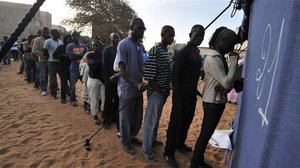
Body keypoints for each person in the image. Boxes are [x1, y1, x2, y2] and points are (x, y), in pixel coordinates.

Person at [190, 27, 239, 168]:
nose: (232, 47)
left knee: (207, 133)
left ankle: (198, 161)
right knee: (205, 134)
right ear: (222, 42)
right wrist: (234, 61)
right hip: (212, 102)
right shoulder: (213, 59)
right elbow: (227, 82)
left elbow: (226, 85)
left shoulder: (219, 58)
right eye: (230, 44)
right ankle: (194, 163)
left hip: (216, 101)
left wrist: (225, 85)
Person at [163, 24, 205, 168]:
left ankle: (180, 144)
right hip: (180, 97)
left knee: (186, 122)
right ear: (190, 35)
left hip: (191, 96)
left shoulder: (197, 53)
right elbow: (175, 77)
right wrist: (179, 99)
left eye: (202, 36)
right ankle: (168, 152)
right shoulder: (183, 52)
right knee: (175, 124)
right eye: (196, 35)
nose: (199, 38)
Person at [142, 25, 175, 162]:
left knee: (156, 119)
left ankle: (153, 140)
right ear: (163, 34)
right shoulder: (155, 50)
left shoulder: (165, 52)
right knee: (150, 121)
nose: (172, 38)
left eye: (173, 36)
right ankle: (146, 149)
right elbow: (149, 75)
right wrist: (158, 89)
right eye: (170, 35)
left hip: (162, 93)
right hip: (156, 93)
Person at [116, 18, 147, 155]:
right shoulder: (123, 44)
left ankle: (131, 137)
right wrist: (136, 83)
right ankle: (125, 141)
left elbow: (144, 66)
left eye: (143, 29)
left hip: (139, 89)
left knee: (137, 118)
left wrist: (147, 79)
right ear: (132, 27)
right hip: (127, 89)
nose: (142, 31)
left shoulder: (141, 47)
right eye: (140, 28)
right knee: (126, 119)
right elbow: (122, 71)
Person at [102, 32, 120, 130]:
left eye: (117, 38)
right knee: (108, 100)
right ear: (111, 39)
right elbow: (105, 66)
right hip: (109, 79)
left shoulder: (120, 49)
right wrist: (107, 79)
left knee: (117, 99)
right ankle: (106, 120)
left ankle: (114, 118)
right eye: (114, 38)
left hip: (119, 79)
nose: (116, 39)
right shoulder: (107, 49)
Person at [66, 31, 88, 107]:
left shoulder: (83, 46)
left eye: (76, 35)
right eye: (73, 36)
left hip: (83, 68)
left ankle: (87, 100)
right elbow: (71, 57)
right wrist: (81, 56)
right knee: (72, 85)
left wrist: (77, 56)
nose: (75, 37)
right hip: (74, 68)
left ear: (79, 36)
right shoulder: (69, 46)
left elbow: (87, 56)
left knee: (86, 84)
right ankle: (73, 100)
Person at [86, 40, 105, 125]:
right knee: (94, 99)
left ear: (100, 46)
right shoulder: (89, 54)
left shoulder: (103, 55)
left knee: (105, 99)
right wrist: (97, 63)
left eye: (97, 45)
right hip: (93, 80)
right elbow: (90, 63)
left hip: (103, 80)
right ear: (91, 46)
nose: (95, 47)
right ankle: (95, 115)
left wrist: (95, 63)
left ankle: (103, 114)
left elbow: (103, 63)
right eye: (94, 45)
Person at [44, 29, 63, 99]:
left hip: (60, 62)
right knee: (53, 79)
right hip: (52, 62)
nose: (58, 34)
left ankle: (67, 92)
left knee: (63, 77)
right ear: (53, 34)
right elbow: (45, 52)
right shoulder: (48, 41)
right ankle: (53, 94)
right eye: (57, 32)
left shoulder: (61, 42)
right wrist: (50, 58)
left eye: (58, 32)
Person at [53, 35, 73, 104]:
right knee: (63, 83)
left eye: (70, 39)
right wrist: (62, 55)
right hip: (62, 68)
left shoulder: (73, 47)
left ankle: (72, 98)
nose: (69, 40)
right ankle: (63, 98)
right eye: (67, 39)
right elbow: (54, 55)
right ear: (65, 40)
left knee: (72, 83)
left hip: (71, 68)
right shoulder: (61, 47)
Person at [32, 27, 50, 96]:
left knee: (48, 75)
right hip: (42, 60)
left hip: (50, 60)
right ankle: (43, 89)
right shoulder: (37, 40)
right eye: (45, 32)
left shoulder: (50, 39)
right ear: (42, 32)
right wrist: (44, 55)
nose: (46, 34)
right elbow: (34, 50)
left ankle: (46, 86)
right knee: (43, 75)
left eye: (48, 32)